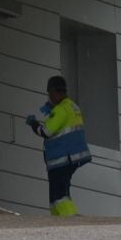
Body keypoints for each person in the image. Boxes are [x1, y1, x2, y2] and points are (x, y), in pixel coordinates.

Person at [26, 76, 91, 217]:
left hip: (62, 159)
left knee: (58, 195)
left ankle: (71, 220)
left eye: (50, 94)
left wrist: (33, 123)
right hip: (71, 158)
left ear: (55, 92)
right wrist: (52, 112)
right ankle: (57, 222)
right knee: (58, 195)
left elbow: (45, 131)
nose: (49, 98)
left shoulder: (61, 110)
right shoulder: (72, 106)